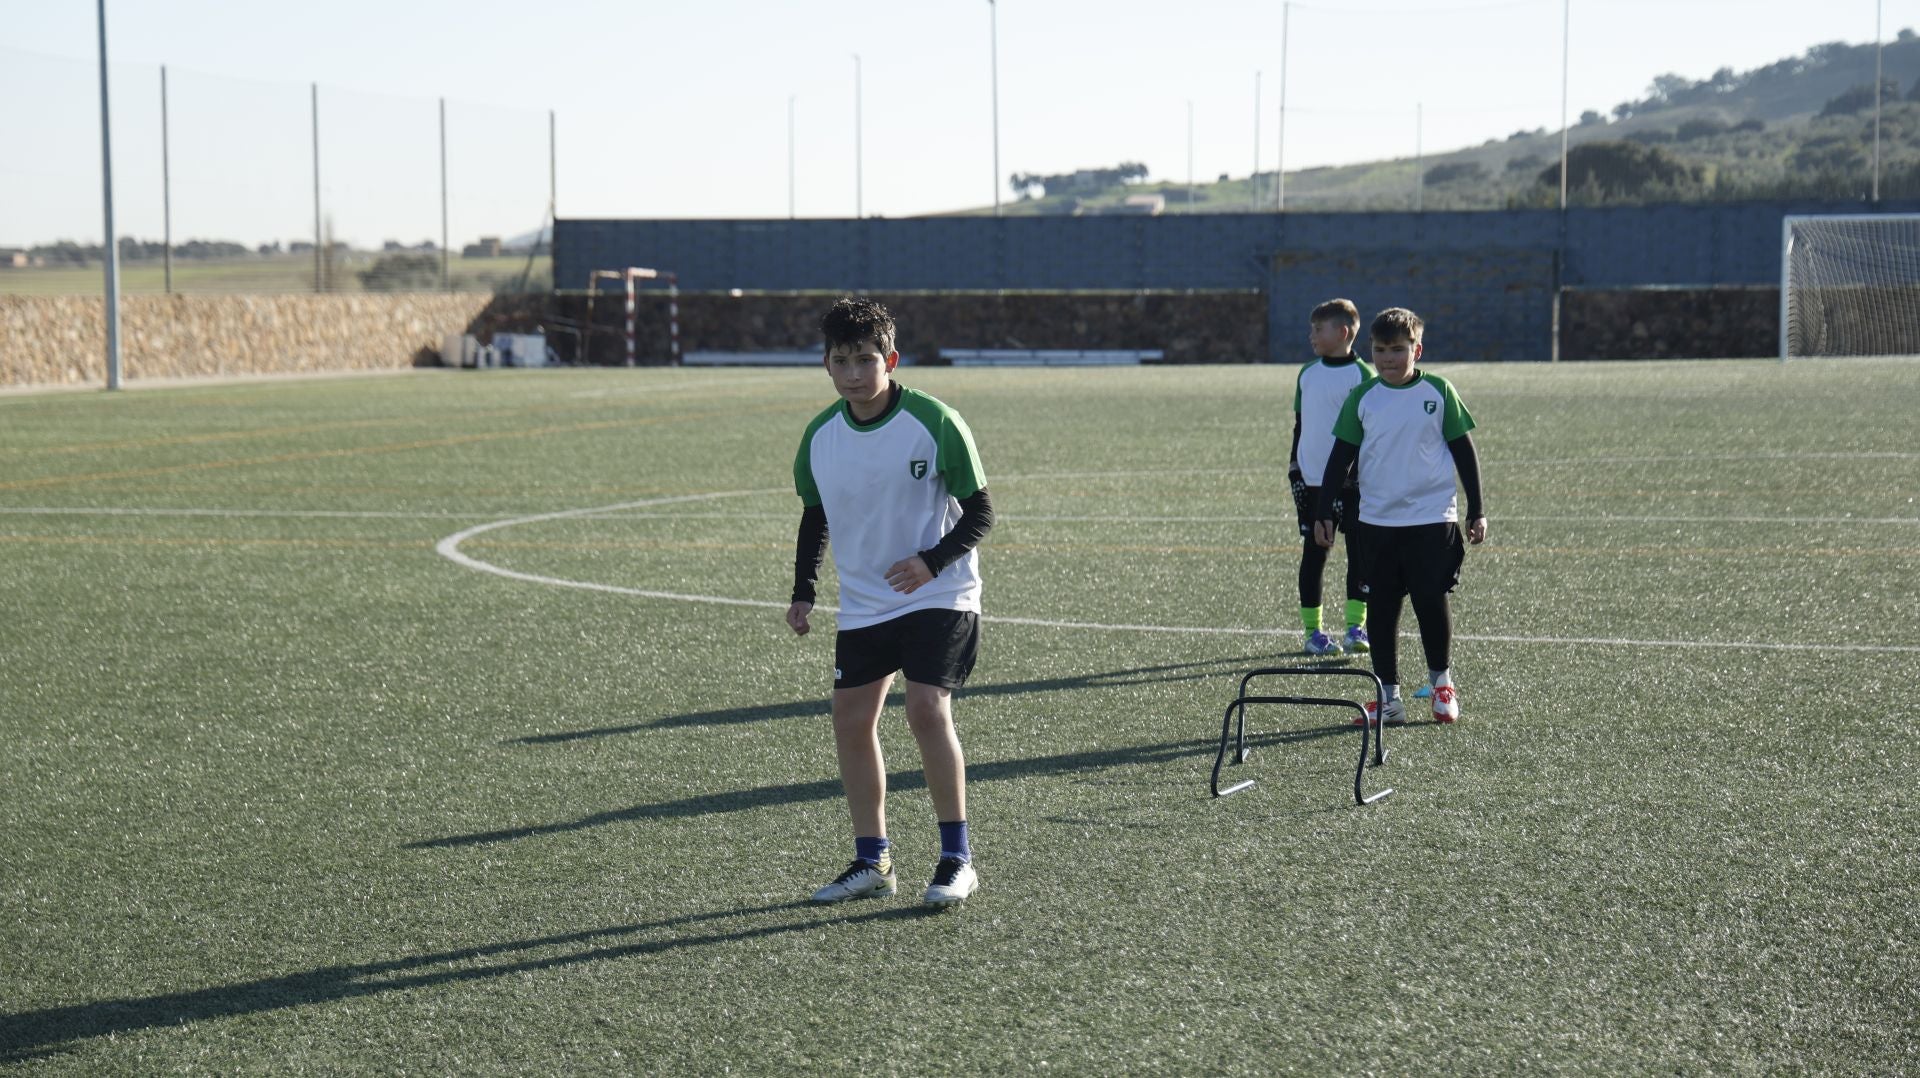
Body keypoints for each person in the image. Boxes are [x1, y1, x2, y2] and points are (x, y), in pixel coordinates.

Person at [787, 297, 995, 909]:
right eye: (842, 360)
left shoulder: (935, 420)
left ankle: (957, 858)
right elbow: (814, 516)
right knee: (851, 720)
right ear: (826, 366)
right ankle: (872, 859)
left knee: (926, 709)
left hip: (940, 590)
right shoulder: (820, 436)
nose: (855, 372)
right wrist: (804, 590)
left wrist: (930, 560)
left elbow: (981, 512)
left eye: (866, 359)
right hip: (865, 601)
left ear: (891, 359)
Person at [1315, 307, 1486, 725]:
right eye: (1379, 350)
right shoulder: (1364, 396)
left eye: (1396, 350)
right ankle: (1387, 698)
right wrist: (1324, 511)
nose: (1387, 358)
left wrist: (1477, 509)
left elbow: (1465, 453)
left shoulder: (1439, 392)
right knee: (1382, 606)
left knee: (1431, 600)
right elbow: (1341, 458)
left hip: (1432, 519)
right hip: (1376, 522)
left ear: (1417, 350)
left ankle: (1442, 685)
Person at [1289, 298, 1376, 657]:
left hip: (1351, 483)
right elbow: (1300, 424)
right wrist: (1294, 464)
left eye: (1317, 329)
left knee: (1360, 554)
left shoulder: (1364, 377)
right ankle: (1313, 632)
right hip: (1310, 481)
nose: (1311, 335)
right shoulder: (1307, 373)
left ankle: (1357, 627)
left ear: (1342, 333)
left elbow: (1370, 430)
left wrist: (1359, 474)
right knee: (1315, 553)